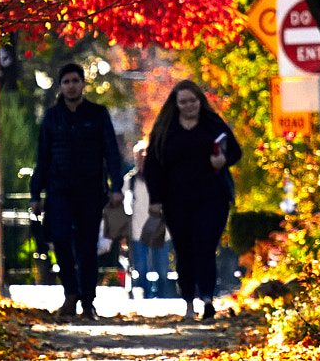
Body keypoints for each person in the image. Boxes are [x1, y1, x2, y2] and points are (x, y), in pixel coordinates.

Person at [141, 79, 243, 322]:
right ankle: (188, 302)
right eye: (183, 102)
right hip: (177, 200)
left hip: (212, 197)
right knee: (184, 250)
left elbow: (235, 151)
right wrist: (154, 200)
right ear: (176, 105)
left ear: (200, 101)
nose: (189, 106)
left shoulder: (213, 124)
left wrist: (223, 161)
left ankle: (207, 299)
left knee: (206, 247)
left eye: (193, 101)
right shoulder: (166, 129)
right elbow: (152, 167)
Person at [30, 63, 126, 319]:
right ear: (61, 86)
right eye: (66, 81)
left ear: (83, 84)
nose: (71, 85)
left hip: (90, 190)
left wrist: (116, 188)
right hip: (59, 189)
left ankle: (87, 301)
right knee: (59, 239)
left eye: (75, 81)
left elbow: (111, 154)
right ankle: (70, 294)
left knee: (87, 248)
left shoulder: (97, 114)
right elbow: (43, 157)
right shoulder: (51, 117)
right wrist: (35, 195)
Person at [123, 141, 168, 299]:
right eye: (140, 158)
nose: (143, 161)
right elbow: (123, 204)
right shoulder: (130, 180)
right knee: (140, 269)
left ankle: (161, 297)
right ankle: (146, 298)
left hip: (159, 230)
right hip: (138, 231)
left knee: (162, 270)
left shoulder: (162, 179)